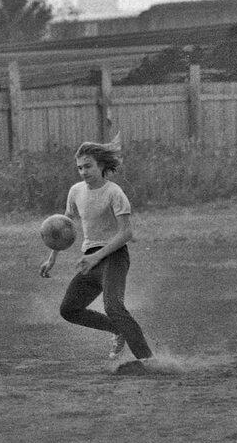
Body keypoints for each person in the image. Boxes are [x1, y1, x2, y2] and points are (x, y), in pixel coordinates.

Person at [39, 138, 153, 365]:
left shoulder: (114, 192)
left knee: (113, 306)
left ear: (101, 165)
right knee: (69, 309)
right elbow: (63, 226)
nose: (83, 172)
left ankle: (148, 361)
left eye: (88, 166)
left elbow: (126, 233)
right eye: (80, 167)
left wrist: (96, 257)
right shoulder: (75, 191)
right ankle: (118, 330)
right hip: (91, 260)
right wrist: (51, 258)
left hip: (114, 257)